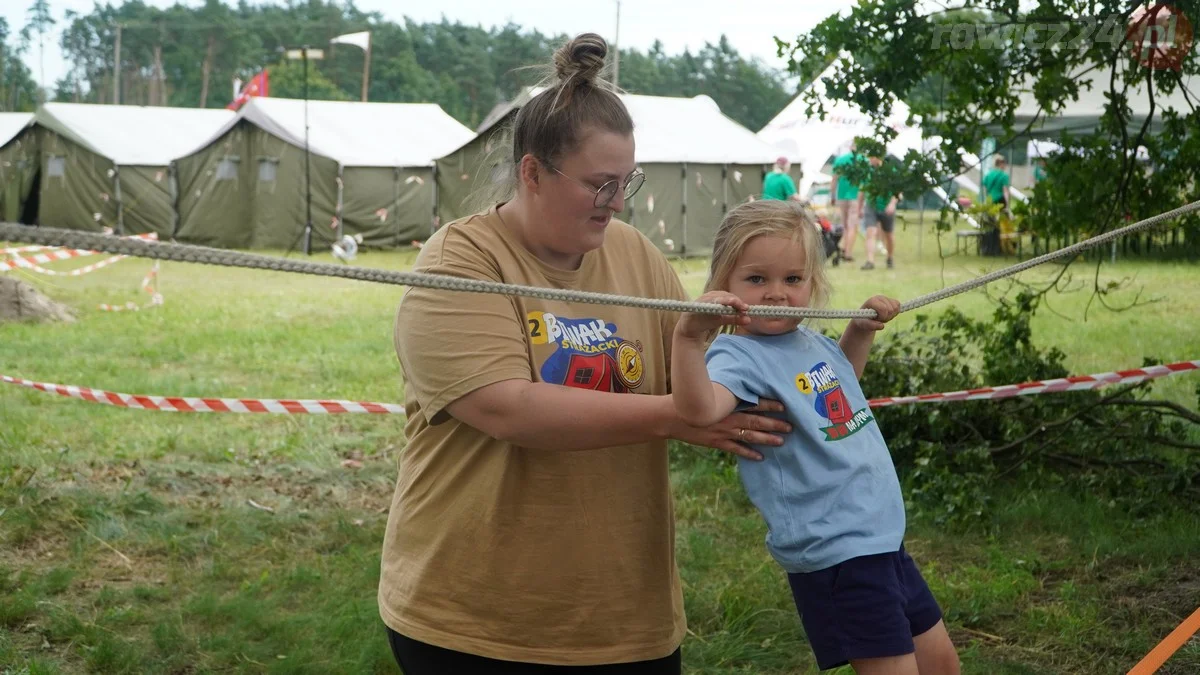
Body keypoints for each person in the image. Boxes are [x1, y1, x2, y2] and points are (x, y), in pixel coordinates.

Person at [381, 33, 792, 674]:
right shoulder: (461, 260)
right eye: (601, 185)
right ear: (532, 173)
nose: (619, 202)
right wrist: (674, 416)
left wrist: (830, 357)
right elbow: (511, 410)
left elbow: (706, 373)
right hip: (475, 624)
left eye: (627, 182)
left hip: (627, 623)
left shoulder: (634, 255)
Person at [668, 199, 961, 675]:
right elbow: (698, 411)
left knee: (942, 664)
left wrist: (859, 333)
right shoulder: (737, 354)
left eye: (793, 279)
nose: (777, 294)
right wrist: (687, 339)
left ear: (812, 282)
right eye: (757, 279)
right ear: (724, 283)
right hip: (836, 550)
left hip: (879, 537)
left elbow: (839, 394)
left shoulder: (810, 341)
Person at [860, 155, 900, 271]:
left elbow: (897, 190)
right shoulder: (867, 171)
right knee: (870, 232)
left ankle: (890, 257)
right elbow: (863, 190)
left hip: (886, 206)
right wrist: (859, 207)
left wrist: (892, 204)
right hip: (871, 205)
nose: (870, 160)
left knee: (889, 235)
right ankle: (870, 261)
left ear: (879, 157)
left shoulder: (890, 171)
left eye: (872, 157)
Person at [830, 142, 866, 261]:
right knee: (852, 225)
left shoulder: (840, 160)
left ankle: (844, 247)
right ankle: (848, 253)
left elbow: (834, 179)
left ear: (851, 147)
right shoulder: (863, 160)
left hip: (841, 196)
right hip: (855, 197)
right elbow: (864, 184)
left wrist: (832, 196)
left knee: (845, 225)